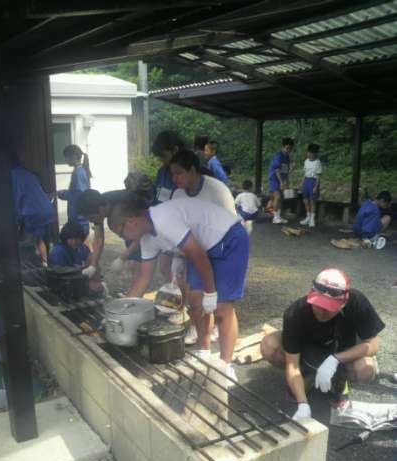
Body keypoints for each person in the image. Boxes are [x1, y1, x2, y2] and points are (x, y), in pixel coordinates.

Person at [107, 193, 249, 384]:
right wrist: (120, 312)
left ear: (131, 221)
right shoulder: (147, 238)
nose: (123, 238)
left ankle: (226, 365)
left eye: (121, 233)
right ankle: (203, 351)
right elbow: (143, 278)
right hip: (202, 247)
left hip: (228, 236)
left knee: (222, 307)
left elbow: (197, 255)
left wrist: (211, 292)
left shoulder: (163, 219)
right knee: (195, 300)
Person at [261, 268, 384, 420]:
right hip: (308, 350)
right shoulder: (295, 312)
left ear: (343, 302)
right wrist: (302, 404)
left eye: (329, 308)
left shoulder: (356, 301)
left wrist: (335, 359)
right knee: (269, 346)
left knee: (366, 370)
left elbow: (373, 344)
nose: (321, 312)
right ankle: (306, 376)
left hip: (344, 348)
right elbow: (292, 364)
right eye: (318, 305)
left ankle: (339, 380)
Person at [169, 149, 237, 345]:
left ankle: (222, 344)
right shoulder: (178, 195)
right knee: (195, 296)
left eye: (179, 173)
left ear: (192, 170)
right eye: (172, 174)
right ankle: (199, 332)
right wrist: (177, 256)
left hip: (225, 247)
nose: (175, 178)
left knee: (223, 303)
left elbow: (231, 226)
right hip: (197, 250)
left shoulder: (217, 190)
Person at [76, 175, 153, 283]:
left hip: (153, 225)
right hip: (134, 229)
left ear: (101, 210)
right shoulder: (99, 204)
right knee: (133, 265)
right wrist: (93, 265)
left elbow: (141, 234)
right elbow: (98, 238)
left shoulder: (122, 207)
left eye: (92, 218)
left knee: (138, 268)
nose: (91, 221)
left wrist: (123, 257)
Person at [11, 164, 56, 266]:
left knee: (28, 243)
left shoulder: (13, 175)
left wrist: (16, 219)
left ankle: (34, 267)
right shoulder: (29, 174)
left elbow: (17, 197)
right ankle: (45, 265)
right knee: (38, 239)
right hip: (46, 210)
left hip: (32, 213)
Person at [57, 144, 91, 236]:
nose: (65, 160)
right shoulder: (80, 170)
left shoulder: (78, 173)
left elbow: (79, 194)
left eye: (66, 157)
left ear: (74, 157)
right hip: (78, 217)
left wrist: (63, 194)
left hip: (78, 218)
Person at [152, 131, 186, 204]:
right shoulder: (162, 172)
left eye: (163, 156)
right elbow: (157, 200)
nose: (161, 160)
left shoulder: (189, 175)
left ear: (175, 150)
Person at [268, 137, 294, 224]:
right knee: (277, 197)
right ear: (282, 146)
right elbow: (277, 170)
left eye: (290, 148)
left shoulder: (287, 157)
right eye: (287, 148)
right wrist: (281, 182)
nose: (288, 150)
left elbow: (286, 171)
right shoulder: (278, 156)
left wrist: (286, 182)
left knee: (281, 198)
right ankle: (275, 217)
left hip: (281, 179)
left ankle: (278, 216)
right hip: (274, 179)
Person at [299, 143, 322, 228]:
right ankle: (307, 217)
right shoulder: (306, 161)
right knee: (305, 200)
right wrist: (301, 183)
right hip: (306, 181)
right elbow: (305, 174)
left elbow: (318, 176)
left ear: (315, 154)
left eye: (311, 153)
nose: (309, 154)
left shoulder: (318, 162)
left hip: (313, 181)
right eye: (308, 152)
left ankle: (312, 219)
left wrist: (316, 187)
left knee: (312, 201)